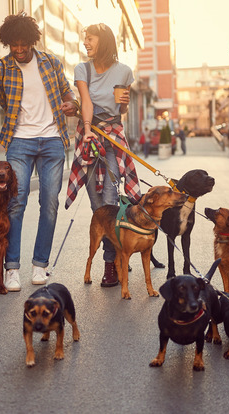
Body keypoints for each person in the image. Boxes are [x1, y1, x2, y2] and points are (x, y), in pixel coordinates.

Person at [0, 13, 79, 292]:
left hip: (51, 140)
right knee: (15, 202)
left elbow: (67, 94)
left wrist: (71, 105)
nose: (19, 50)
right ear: (7, 43)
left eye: (24, 45)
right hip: (19, 142)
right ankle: (11, 269)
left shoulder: (51, 63)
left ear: (32, 41)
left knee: (49, 203)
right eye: (14, 45)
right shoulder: (0, 68)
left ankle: (40, 265)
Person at [65, 23, 141, 288]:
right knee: (98, 206)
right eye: (84, 38)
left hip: (112, 138)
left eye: (90, 38)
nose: (85, 43)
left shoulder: (124, 70)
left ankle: (112, 264)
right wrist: (87, 130)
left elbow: (121, 108)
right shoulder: (82, 69)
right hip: (89, 136)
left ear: (104, 41)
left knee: (111, 199)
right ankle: (117, 254)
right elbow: (85, 102)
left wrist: (123, 103)